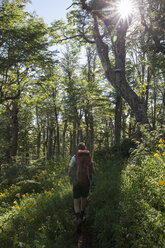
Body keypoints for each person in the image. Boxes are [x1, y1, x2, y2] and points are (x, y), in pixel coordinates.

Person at [68, 142, 94, 231]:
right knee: (84, 199)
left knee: (76, 200)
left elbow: (70, 170)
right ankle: (82, 216)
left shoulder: (74, 157)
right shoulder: (89, 158)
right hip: (86, 181)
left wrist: (71, 179)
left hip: (76, 182)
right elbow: (92, 171)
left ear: (78, 149)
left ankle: (78, 217)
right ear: (85, 148)